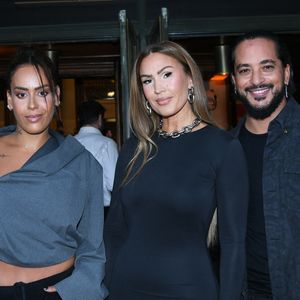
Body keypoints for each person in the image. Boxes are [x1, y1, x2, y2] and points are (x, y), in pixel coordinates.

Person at [104, 40, 248, 300]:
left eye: (167, 74)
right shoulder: (134, 148)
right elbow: (115, 229)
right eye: (147, 81)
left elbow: (234, 243)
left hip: (189, 289)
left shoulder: (223, 148)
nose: (158, 89)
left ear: (190, 79)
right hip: (125, 288)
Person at [0, 47, 108, 300]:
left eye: (42, 92)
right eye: (21, 94)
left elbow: (93, 247)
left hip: (53, 291)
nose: (33, 105)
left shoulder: (81, 163)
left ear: (57, 95)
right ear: (8, 99)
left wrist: (71, 292)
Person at [230, 31, 299, 300]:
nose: (256, 80)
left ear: (287, 73)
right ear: (235, 81)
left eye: (267, 67)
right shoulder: (225, 149)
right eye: (245, 70)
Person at [75, 100, 118, 218]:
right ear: (100, 118)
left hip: (74, 210)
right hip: (102, 211)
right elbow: (113, 183)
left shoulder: (69, 143)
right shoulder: (107, 144)